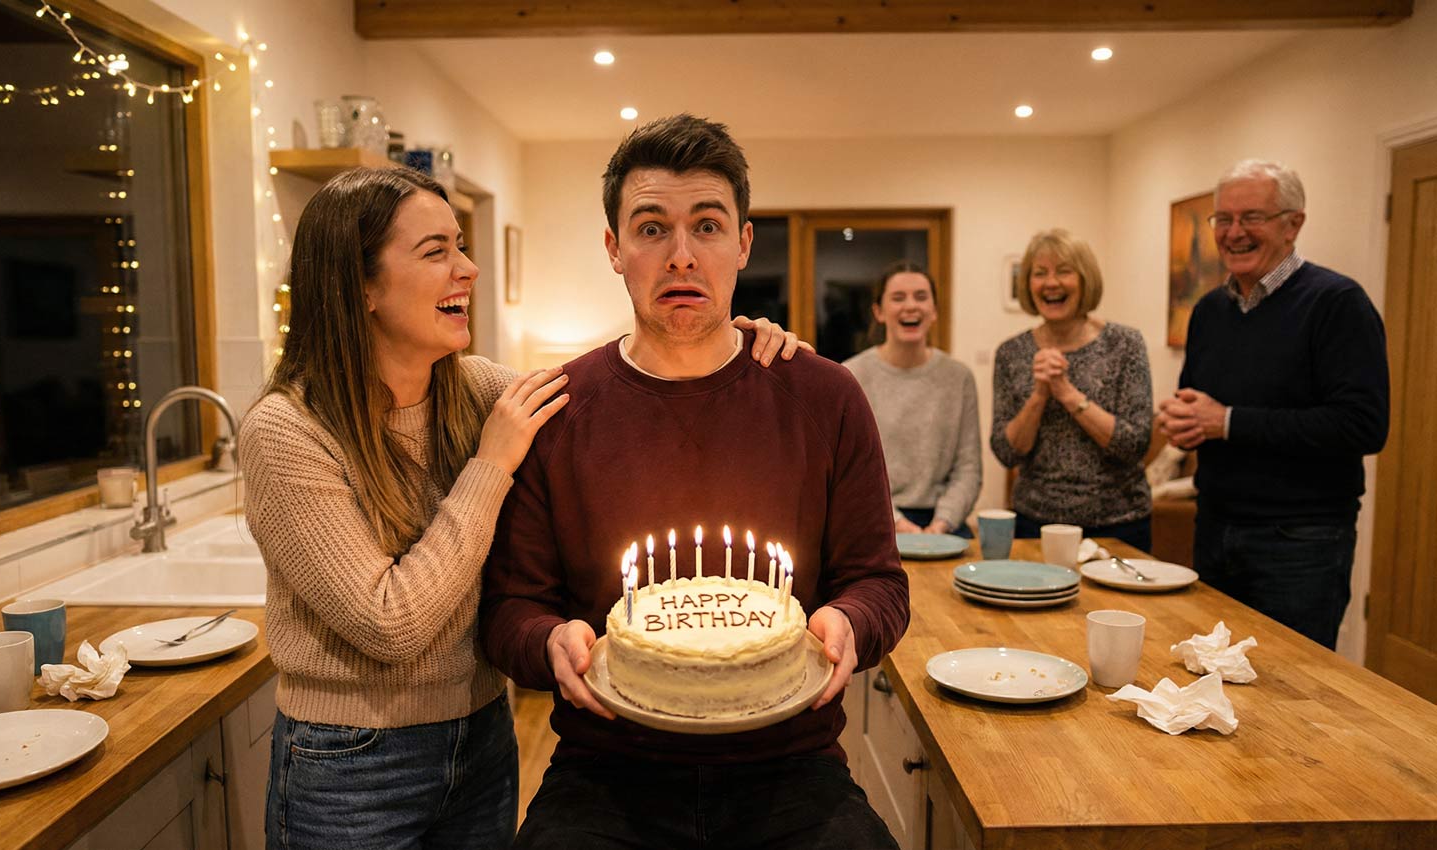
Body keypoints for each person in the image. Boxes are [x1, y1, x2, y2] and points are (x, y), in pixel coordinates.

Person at [238, 167, 807, 850]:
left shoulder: (476, 388)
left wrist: (724, 340)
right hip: (351, 764)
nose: (468, 268)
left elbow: (619, 394)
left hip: (480, 738)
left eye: (460, 245)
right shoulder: (286, 432)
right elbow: (390, 624)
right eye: (436, 251)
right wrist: (492, 464)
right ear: (360, 286)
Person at [480, 114, 910, 850]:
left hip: (792, 767)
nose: (681, 255)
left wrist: (850, 622)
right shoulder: (558, 410)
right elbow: (509, 607)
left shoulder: (825, 396)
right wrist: (548, 640)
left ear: (743, 243)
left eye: (707, 226)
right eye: (652, 229)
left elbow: (879, 583)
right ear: (614, 249)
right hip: (607, 772)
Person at [1157, 159, 1389, 650]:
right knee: (1211, 674)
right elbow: (1199, 403)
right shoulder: (1209, 311)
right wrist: (1184, 423)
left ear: (1293, 224)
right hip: (1214, 526)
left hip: (1300, 543)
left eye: (1252, 217)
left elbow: (1363, 425)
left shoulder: (1337, 303)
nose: (1234, 232)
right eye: (1223, 219)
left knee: (1292, 684)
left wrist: (1227, 422)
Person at [990, 229, 1154, 552]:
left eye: (1064, 271)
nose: (1051, 283)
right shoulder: (1011, 353)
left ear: (1085, 279)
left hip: (1118, 524)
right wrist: (1039, 395)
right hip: (1035, 523)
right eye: (1040, 273)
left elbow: (1134, 444)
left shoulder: (1125, 344)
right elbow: (1006, 453)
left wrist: (1066, 392)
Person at [844, 262, 981, 537]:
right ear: (879, 312)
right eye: (898, 298)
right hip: (872, 516)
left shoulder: (960, 377)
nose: (910, 306)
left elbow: (968, 468)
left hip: (943, 523)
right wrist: (896, 523)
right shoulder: (851, 376)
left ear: (934, 311)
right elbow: (849, 471)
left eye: (921, 297)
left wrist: (942, 524)